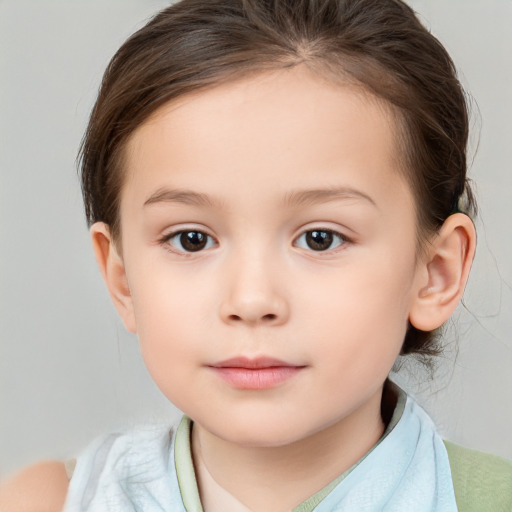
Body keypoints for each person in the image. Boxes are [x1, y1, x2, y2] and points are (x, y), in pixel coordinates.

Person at [1, 0, 511, 510]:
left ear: (435, 274)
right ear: (122, 278)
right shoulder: (49, 501)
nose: (251, 299)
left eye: (320, 238)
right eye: (191, 239)